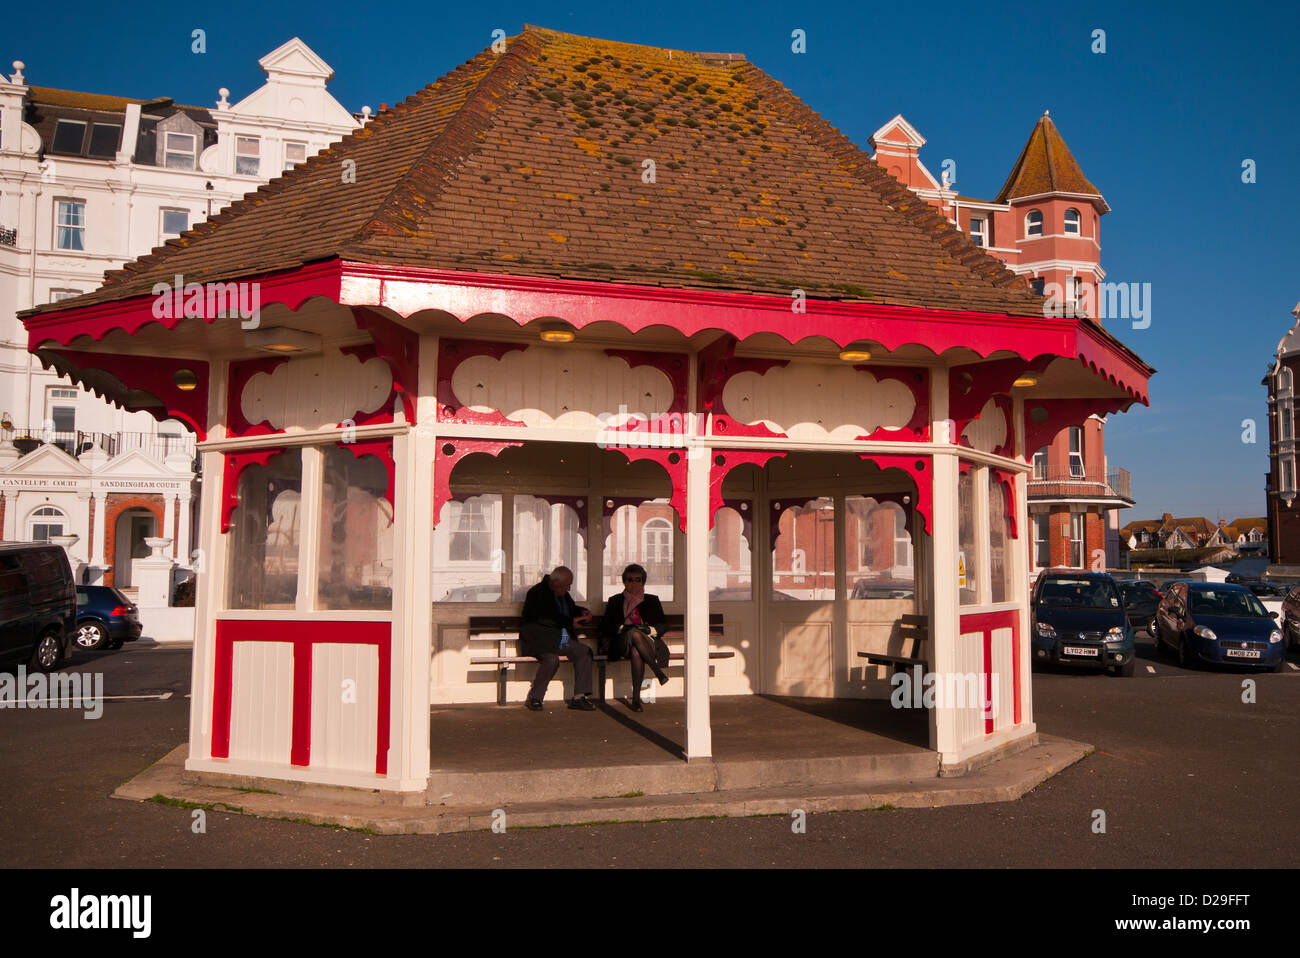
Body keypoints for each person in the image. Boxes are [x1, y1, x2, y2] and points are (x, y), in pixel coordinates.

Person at [519, 566, 597, 711]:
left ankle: (579, 697)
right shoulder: (537, 593)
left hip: (561, 640)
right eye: (566, 585)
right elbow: (547, 618)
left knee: (584, 652)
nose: (568, 589)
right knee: (551, 660)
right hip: (540, 641)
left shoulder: (561, 594)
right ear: (555, 582)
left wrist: (582, 611)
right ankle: (535, 697)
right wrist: (570, 622)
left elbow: (571, 609)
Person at [600, 563, 670, 712]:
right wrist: (622, 628)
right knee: (633, 632)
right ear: (625, 582)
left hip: (648, 643)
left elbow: (663, 625)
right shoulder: (615, 601)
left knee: (636, 651)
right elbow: (605, 626)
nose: (634, 583)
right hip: (621, 642)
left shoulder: (652, 600)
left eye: (638, 579)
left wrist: (650, 629)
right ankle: (657, 672)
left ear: (643, 582)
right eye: (630, 580)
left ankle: (636, 699)